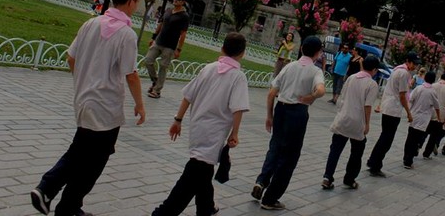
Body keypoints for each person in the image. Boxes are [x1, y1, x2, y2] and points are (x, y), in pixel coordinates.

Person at [30, 0, 149, 216]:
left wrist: (84, 80)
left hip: (84, 100)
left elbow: (71, 57)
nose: (137, 6)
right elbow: (131, 74)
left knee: (83, 152)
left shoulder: (90, 24)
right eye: (137, 1)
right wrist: (140, 104)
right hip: (106, 107)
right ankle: (48, 189)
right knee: (90, 160)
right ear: (132, 1)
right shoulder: (126, 34)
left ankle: (68, 206)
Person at [151, 33, 250, 216]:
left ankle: (206, 208)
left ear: (222, 49)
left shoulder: (208, 68)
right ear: (242, 53)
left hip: (197, 128)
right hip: (215, 133)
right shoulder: (238, 77)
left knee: (203, 170)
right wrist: (234, 134)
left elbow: (188, 95)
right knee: (195, 173)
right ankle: (163, 212)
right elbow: (238, 109)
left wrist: (177, 120)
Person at [251, 36, 326, 211]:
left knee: (275, 147)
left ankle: (261, 181)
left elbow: (271, 93)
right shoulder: (315, 71)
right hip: (297, 112)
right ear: (317, 53)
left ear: (301, 49)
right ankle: (271, 198)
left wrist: (269, 115)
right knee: (289, 156)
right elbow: (321, 90)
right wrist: (311, 96)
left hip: (281, 109)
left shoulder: (289, 67)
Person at [321, 55, 380, 190]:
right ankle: (349, 179)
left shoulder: (351, 78)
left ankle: (327, 177)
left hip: (343, 118)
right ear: (374, 70)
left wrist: (340, 112)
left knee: (335, 150)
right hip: (357, 122)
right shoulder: (372, 84)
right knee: (357, 151)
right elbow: (368, 105)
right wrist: (367, 124)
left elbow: (342, 97)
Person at [366, 51, 419, 177]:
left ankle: (373, 161)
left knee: (384, 137)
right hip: (393, 109)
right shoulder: (404, 73)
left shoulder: (397, 70)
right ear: (408, 61)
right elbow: (402, 95)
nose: (415, 66)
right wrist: (408, 112)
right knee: (387, 140)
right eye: (414, 63)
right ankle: (375, 165)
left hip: (388, 107)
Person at [145, 0, 190, 99]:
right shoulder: (168, 10)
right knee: (148, 61)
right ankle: (155, 81)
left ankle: (157, 90)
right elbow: (160, 24)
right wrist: (153, 37)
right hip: (159, 41)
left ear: (183, 2)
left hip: (170, 46)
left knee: (163, 67)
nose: (175, 0)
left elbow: (183, 34)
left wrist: (179, 49)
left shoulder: (184, 16)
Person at [403, 71, 440, 169]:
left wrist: (409, 112)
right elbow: (437, 107)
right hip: (423, 120)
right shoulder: (433, 92)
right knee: (416, 140)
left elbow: (410, 99)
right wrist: (439, 117)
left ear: (425, 78)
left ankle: (406, 158)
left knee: (410, 138)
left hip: (414, 116)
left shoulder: (418, 88)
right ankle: (409, 161)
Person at [421, 72, 445, 159]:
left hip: (429, 112)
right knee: (434, 136)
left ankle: (418, 145)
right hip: (440, 115)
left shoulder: (433, 85)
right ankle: (426, 154)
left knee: (424, 131)